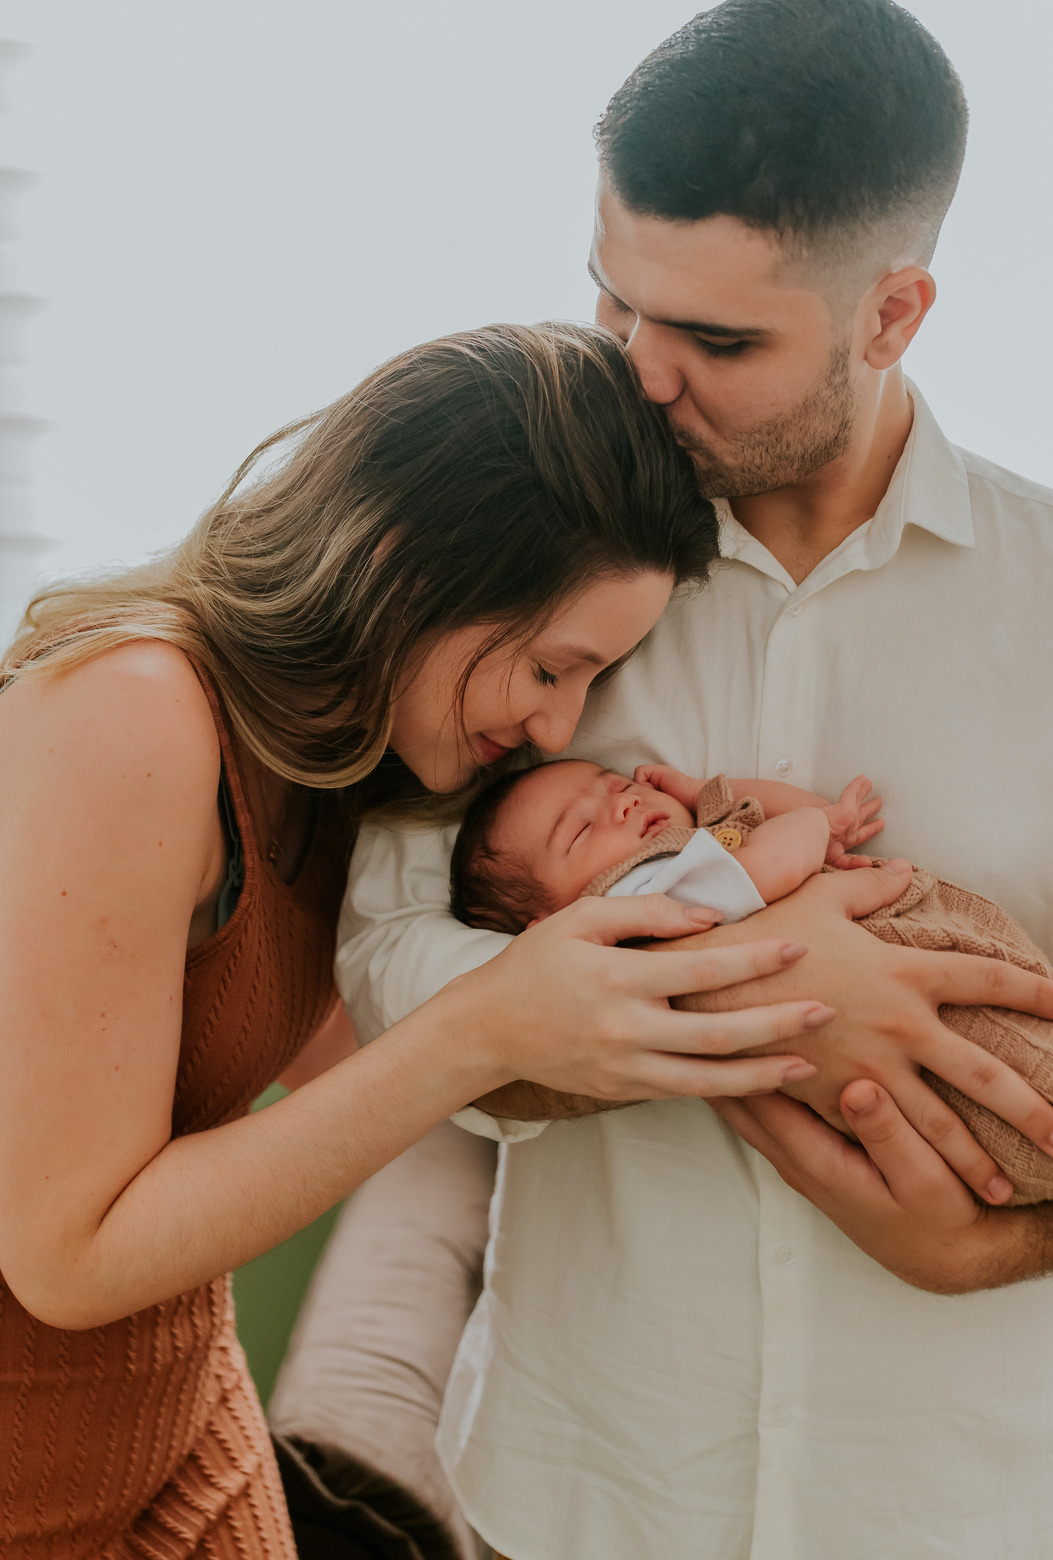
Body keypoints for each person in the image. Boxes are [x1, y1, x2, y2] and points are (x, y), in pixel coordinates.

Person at [336, 0, 1053, 1560]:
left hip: (979, 1510)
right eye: (613, 303)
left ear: (894, 312)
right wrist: (740, 971)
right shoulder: (508, 567)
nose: (638, 372)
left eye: (716, 337)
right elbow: (389, 956)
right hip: (574, 1492)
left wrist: (980, 1249)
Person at [0, 322, 849, 1558]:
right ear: (407, 565)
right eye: (554, 666)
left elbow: (362, 1077)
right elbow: (67, 1257)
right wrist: (488, 1023)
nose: (562, 725)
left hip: (178, 1432)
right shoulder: (131, 714)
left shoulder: (352, 777)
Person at [453, 757, 1053, 1393]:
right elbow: (780, 859)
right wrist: (801, 825)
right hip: (948, 1042)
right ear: (543, 923)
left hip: (953, 966)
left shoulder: (695, 857)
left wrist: (720, 797)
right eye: (581, 829)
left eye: (613, 780)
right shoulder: (635, 907)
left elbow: (796, 834)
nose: (617, 802)